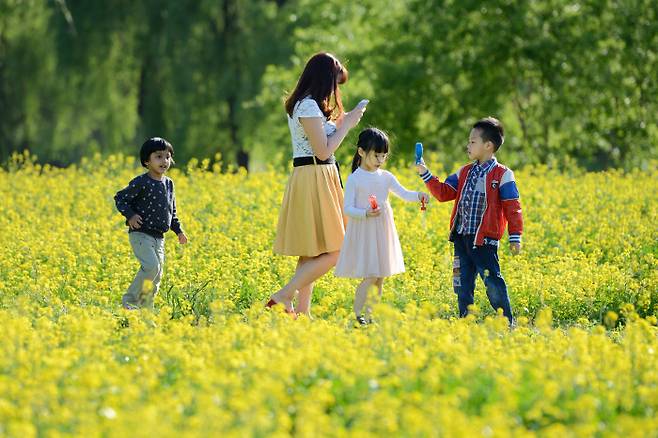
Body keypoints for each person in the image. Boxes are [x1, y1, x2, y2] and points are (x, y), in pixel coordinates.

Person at [267, 52, 366, 317]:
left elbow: (320, 139)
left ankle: (301, 312)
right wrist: (348, 125)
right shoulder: (308, 106)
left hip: (318, 174)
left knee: (311, 252)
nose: (335, 90)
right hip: (314, 173)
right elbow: (323, 150)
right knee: (339, 250)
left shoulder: (306, 105)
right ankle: (284, 294)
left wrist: (340, 122)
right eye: (335, 82)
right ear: (325, 79)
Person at [416, 117, 523, 324]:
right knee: (462, 283)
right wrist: (425, 174)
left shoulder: (502, 174)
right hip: (461, 238)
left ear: (488, 145)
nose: (468, 145)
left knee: (492, 282)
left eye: (473, 141)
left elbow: (513, 206)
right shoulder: (464, 171)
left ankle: (507, 321)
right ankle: (466, 320)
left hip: (484, 241)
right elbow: (445, 193)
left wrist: (515, 236)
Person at [335, 128, 429, 326]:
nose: (380, 159)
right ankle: (358, 315)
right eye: (376, 155)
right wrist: (365, 213)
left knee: (379, 277)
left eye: (383, 156)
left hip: (382, 230)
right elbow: (347, 208)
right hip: (365, 230)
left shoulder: (386, 176)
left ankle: (370, 316)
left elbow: (403, 194)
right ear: (361, 152)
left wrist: (419, 195)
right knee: (371, 275)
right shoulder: (355, 178)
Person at [114, 137, 188, 309]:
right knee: (151, 267)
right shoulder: (142, 182)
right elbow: (120, 198)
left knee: (157, 274)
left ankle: (145, 308)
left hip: (159, 238)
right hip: (141, 233)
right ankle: (130, 301)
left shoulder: (169, 184)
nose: (164, 161)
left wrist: (179, 231)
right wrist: (131, 216)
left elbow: (172, 211)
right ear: (147, 161)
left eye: (167, 157)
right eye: (158, 156)